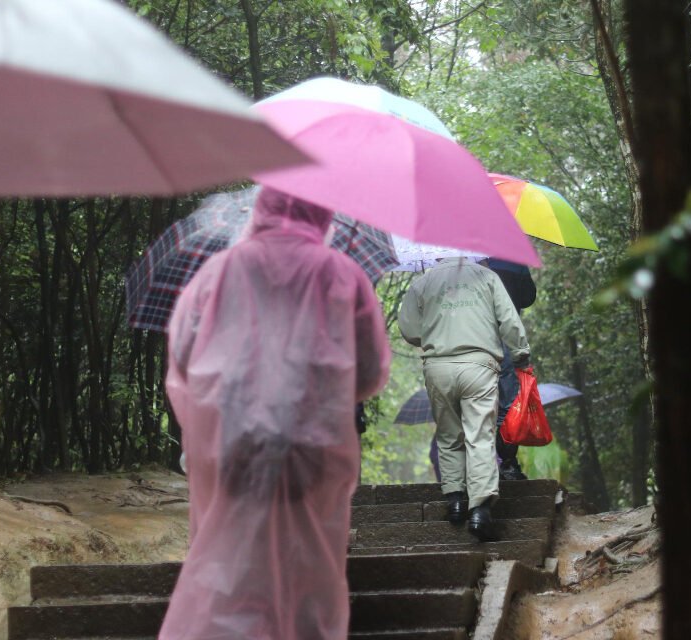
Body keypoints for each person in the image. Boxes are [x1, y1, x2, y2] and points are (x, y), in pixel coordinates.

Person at [160, 188, 390, 640]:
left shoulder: (217, 271)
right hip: (313, 442)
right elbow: (369, 371)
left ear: (260, 209)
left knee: (229, 558)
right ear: (322, 213)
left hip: (230, 439)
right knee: (309, 564)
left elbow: (184, 357)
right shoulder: (342, 273)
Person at [398, 257, 530, 541]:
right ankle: (480, 510)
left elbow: (408, 329)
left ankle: (456, 500)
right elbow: (509, 318)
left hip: (439, 366)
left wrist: (435, 333)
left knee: (448, 435)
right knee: (479, 435)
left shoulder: (424, 282)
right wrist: (520, 352)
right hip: (479, 365)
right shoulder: (487, 276)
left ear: (436, 253)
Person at [486, 258, 537, 481]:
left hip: (473, 339)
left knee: (476, 403)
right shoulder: (511, 254)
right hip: (506, 337)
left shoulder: (466, 258)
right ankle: (508, 464)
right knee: (508, 404)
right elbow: (527, 297)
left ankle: (479, 467)